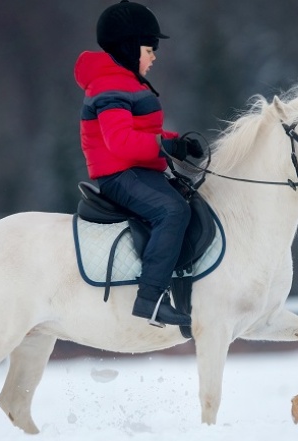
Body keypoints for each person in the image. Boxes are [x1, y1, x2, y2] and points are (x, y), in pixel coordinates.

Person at [74, 0, 203, 327]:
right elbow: (119, 141)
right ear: (130, 48)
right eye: (149, 49)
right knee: (172, 210)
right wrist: (165, 146)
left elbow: (144, 132)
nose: (154, 57)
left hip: (137, 170)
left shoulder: (126, 82)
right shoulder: (109, 85)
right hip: (119, 174)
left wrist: (178, 142)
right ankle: (150, 298)